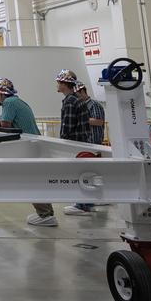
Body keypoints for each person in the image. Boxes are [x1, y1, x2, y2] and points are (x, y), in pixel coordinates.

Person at [0, 77, 57, 227]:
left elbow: (6, 125)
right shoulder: (17, 101)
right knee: (35, 178)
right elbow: (5, 120)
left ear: (1, 93)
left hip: (28, 147)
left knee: (32, 179)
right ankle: (47, 213)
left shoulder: (8, 103)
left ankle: (45, 215)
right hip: (35, 144)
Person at [55, 69, 94, 216]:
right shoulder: (76, 100)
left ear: (64, 84)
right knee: (83, 172)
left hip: (74, 144)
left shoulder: (70, 101)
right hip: (82, 142)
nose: (57, 85)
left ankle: (81, 205)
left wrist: (62, 143)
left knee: (78, 173)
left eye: (58, 82)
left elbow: (68, 126)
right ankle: (85, 203)